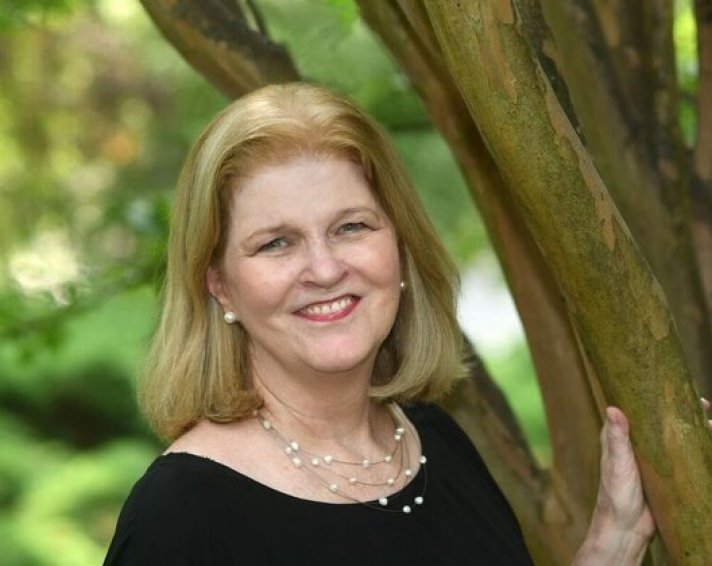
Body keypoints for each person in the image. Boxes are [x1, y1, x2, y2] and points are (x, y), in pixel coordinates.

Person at [103, 82, 666, 565]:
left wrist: (614, 539)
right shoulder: (181, 515)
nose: (324, 269)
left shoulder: (433, 442)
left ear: (399, 244)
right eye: (276, 243)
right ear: (218, 283)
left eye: (351, 227)